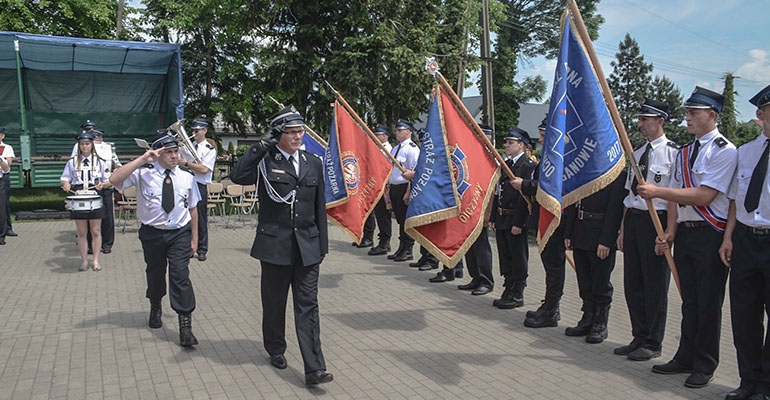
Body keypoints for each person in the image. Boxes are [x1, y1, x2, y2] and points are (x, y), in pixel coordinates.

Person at [638, 86, 738, 389]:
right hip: (686, 233)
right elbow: (675, 198)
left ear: (712, 115)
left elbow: (705, 196)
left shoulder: (725, 151)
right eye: (687, 112)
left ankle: (704, 363)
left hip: (710, 234)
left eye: (693, 113)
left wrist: (656, 191)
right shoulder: (683, 152)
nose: (687, 118)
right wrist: (670, 230)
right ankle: (685, 356)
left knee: (708, 303)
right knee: (689, 300)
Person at [229, 105, 333, 386]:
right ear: (278, 134)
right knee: (274, 304)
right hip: (275, 246)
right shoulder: (265, 161)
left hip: (307, 246)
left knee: (308, 306)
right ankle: (275, 348)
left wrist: (322, 245)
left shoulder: (312, 161)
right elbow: (237, 176)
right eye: (292, 132)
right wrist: (261, 145)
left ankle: (314, 368)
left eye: (301, 131)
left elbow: (318, 206)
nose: (298, 136)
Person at [109, 131, 200, 347]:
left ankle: (185, 326)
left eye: (176, 151)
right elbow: (114, 180)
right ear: (157, 154)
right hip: (152, 233)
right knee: (155, 273)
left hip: (179, 233)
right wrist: (143, 159)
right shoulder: (143, 173)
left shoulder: (186, 176)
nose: (174, 156)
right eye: (168, 152)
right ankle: (155, 305)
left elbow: (193, 208)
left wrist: (195, 238)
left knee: (180, 276)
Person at [615, 98, 679, 361]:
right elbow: (628, 196)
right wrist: (622, 230)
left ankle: (653, 342)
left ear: (660, 121)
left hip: (657, 221)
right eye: (639, 119)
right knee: (633, 283)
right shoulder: (637, 153)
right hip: (634, 220)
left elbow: (674, 198)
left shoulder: (674, 154)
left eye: (645, 119)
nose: (640, 124)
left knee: (654, 285)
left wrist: (669, 232)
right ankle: (639, 336)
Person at [719, 84, 770, 400]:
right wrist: (728, 237)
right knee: (744, 316)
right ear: (760, 114)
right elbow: (736, 200)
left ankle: (766, 386)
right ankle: (747, 381)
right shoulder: (745, 152)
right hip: (745, 240)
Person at [512, 117, 568, 328]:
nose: (541, 139)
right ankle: (549, 305)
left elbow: (552, 187)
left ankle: (552, 309)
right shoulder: (546, 156)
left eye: (544, 135)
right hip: (542, 213)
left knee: (554, 266)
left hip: (555, 217)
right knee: (549, 265)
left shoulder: (560, 157)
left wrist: (525, 185)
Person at [564, 171, 626, 344]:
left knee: (600, 282)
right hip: (581, 230)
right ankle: (587, 318)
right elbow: (574, 202)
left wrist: (606, 240)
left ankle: (600, 323)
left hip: (600, 233)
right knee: (584, 281)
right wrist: (569, 233)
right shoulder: (586, 170)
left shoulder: (615, 173)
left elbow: (615, 210)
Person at [489, 127, 536, 309]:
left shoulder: (527, 165)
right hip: (502, 218)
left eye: (511, 142)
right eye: (506, 142)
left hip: (515, 219)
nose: (506, 145)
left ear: (521, 145)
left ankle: (517, 293)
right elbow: (498, 191)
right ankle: (508, 288)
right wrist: (493, 216)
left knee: (518, 258)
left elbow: (524, 199)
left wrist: (519, 222)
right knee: (505, 256)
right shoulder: (506, 164)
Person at [60, 131, 109, 271]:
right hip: (79, 195)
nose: (85, 146)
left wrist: (102, 185)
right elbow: (64, 178)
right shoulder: (72, 162)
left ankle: (96, 261)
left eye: (87, 144)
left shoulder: (100, 161)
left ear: (92, 145)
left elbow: (108, 180)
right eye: (82, 144)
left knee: (95, 231)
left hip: (94, 194)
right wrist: (66, 184)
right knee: (81, 232)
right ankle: (84, 261)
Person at [178, 119, 217, 262]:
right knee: (184, 216)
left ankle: (202, 249)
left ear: (204, 131)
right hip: (187, 182)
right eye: (193, 130)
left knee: (200, 218)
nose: (193, 133)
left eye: (197, 130)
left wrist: (186, 163)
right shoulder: (190, 146)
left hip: (200, 185)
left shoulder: (209, 149)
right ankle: (187, 246)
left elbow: (205, 169)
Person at [387, 120, 420, 262]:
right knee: (400, 220)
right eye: (396, 130)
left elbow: (413, 171)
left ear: (408, 132)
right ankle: (401, 247)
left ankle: (408, 249)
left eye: (400, 130)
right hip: (394, 186)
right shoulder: (395, 148)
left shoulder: (412, 149)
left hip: (404, 187)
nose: (397, 133)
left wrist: (408, 192)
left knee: (406, 220)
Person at [362, 124, 393, 253]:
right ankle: (379, 240)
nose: (375, 137)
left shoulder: (388, 150)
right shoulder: (378, 148)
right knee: (379, 214)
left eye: (377, 135)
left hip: (384, 187)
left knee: (383, 216)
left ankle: (385, 242)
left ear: (385, 136)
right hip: (376, 185)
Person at [0, 127, 16, 237]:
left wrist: (1, 160)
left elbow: (8, 164)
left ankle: (7, 228)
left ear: (3, 136)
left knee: (4, 203)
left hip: (3, 177)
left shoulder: (7, 147)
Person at [0, 130, 9, 245]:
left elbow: (6, 169)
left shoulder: (3, 150)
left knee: (1, 210)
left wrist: (1, 160)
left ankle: (1, 236)